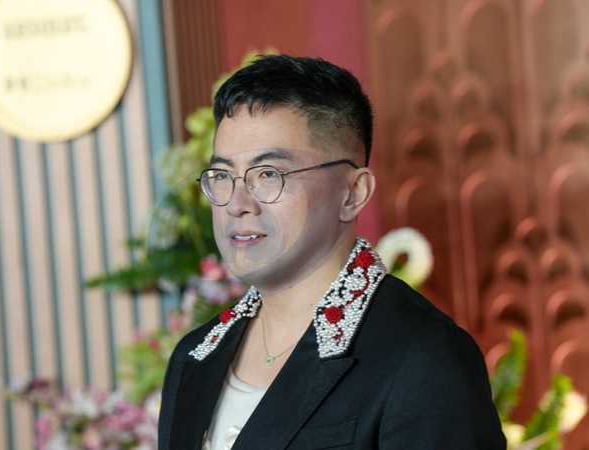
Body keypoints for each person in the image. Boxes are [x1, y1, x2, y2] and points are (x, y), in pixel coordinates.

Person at [158, 54, 506, 449]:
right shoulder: (195, 355)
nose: (237, 204)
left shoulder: (423, 359)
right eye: (223, 176)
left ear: (353, 193)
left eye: (269, 173)